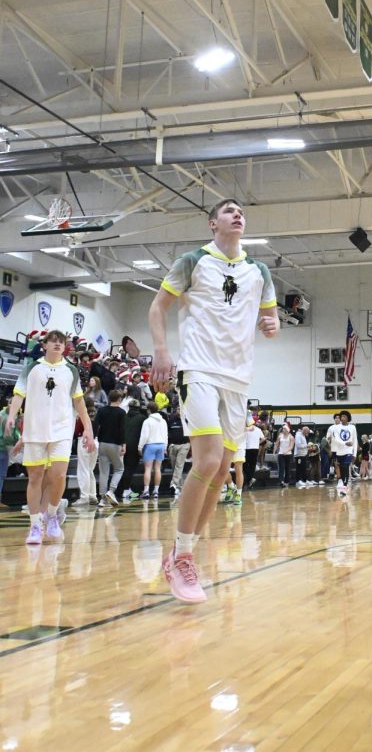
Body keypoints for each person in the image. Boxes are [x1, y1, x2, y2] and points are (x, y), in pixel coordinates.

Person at [149, 198, 279, 603]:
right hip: (199, 370)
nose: (237, 215)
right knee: (206, 460)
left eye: (241, 212)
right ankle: (184, 555)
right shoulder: (193, 261)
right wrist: (161, 350)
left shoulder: (259, 271)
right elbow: (158, 306)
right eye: (228, 211)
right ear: (212, 223)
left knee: (221, 472)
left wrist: (271, 323)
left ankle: (178, 552)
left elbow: (269, 319)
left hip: (238, 380)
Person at [4, 329, 95, 545]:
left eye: (61, 341)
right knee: (35, 478)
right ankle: (35, 525)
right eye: (52, 341)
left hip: (62, 431)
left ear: (65, 347)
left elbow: (79, 402)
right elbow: (19, 394)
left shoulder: (71, 371)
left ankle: (52, 515)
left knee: (58, 475)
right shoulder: (32, 368)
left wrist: (89, 429)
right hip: (35, 431)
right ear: (44, 345)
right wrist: (11, 417)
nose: (57, 344)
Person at [95, 389, 127, 505]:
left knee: (104, 472)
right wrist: (124, 444)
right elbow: (122, 430)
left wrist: (94, 438)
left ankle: (102, 499)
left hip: (102, 443)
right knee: (119, 469)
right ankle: (111, 491)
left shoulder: (102, 410)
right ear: (119, 399)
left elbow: (96, 425)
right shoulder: (122, 412)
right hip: (115, 444)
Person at [139, 401, 168, 501]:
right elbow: (166, 435)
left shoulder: (147, 421)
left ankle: (146, 491)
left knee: (148, 469)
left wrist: (140, 447)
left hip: (150, 445)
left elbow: (144, 436)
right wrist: (165, 447)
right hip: (161, 445)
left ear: (149, 410)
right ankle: (156, 491)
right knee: (158, 469)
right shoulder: (163, 421)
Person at [328, 409, 357, 497]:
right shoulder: (336, 427)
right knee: (341, 469)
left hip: (348, 451)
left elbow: (355, 441)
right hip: (339, 452)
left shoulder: (352, 427)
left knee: (346, 467)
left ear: (348, 418)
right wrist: (345, 443)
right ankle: (341, 482)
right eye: (341, 416)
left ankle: (344, 487)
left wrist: (354, 453)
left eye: (344, 416)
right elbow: (336, 439)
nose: (342, 418)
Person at [276, 421, 295, 487]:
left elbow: (291, 446)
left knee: (287, 468)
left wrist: (286, 451)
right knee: (281, 468)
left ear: (287, 430)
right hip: (281, 454)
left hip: (288, 454)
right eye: (283, 428)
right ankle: (281, 481)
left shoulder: (291, 437)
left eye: (284, 429)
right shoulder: (280, 436)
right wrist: (275, 450)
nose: (283, 430)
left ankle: (287, 481)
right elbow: (277, 444)